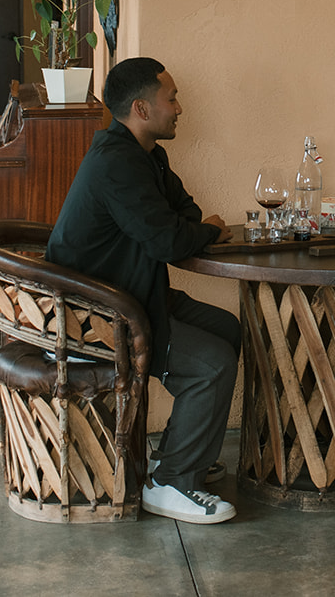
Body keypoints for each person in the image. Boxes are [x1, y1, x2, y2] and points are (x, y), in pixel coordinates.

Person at [45, 57, 241, 524]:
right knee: (212, 364)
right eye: (170, 98)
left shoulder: (148, 154)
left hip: (135, 293)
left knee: (227, 329)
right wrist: (210, 230)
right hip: (98, 314)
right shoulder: (116, 163)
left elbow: (183, 213)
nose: (179, 107)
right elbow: (172, 239)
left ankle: (175, 454)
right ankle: (172, 481)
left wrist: (194, 226)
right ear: (141, 107)